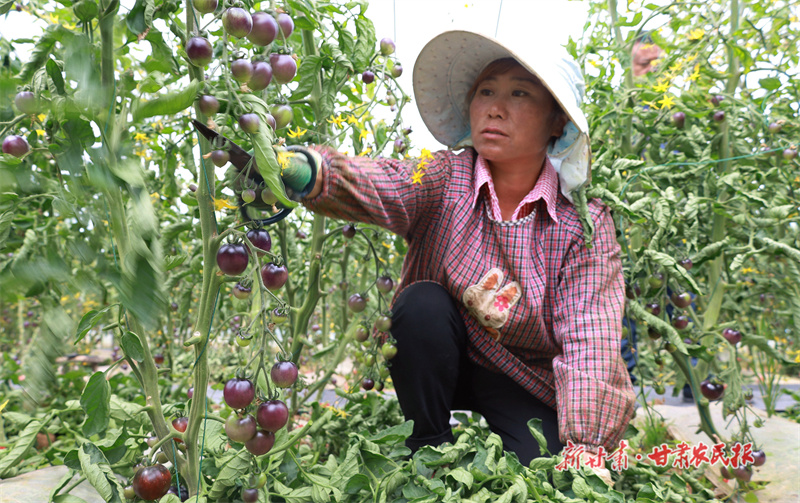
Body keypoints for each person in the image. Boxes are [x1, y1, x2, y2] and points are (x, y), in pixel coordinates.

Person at [293, 30, 635, 478]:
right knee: (421, 305)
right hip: (440, 357)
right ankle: (427, 446)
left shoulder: (581, 226)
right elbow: (388, 183)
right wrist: (311, 172)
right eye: (486, 91)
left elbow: (589, 337)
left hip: (522, 376)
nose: (495, 107)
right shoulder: (444, 177)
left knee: (548, 473)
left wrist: (587, 446)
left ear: (557, 122)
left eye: (519, 93)